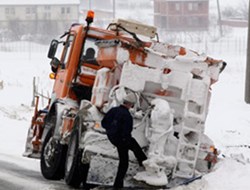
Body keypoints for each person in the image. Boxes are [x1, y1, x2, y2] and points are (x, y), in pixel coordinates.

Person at [101, 92, 147, 189]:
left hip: (112, 138)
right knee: (125, 161)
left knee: (132, 146)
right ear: (130, 104)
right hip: (122, 140)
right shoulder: (127, 116)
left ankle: (142, 160)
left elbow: (104, 123)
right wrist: (125, 140)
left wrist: (111, 130)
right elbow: (127, 131)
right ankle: (143, 162)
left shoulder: (113, 110)